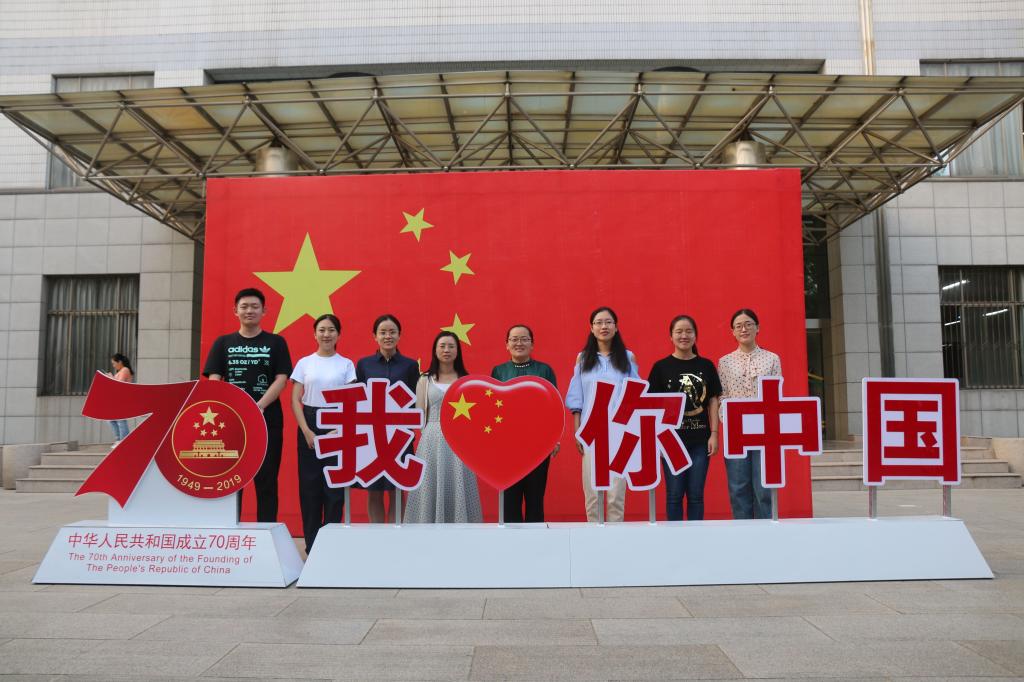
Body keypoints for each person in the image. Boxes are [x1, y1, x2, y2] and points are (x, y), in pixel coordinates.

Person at [202, 287, 292, 523]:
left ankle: (267, 532)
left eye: (254, 306)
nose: (249, 311)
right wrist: (232, 407)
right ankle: (231, 533)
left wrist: (258, 406)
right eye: (244, 307)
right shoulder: (223, 343)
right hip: (231, 423)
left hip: (267, 421)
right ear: (236, 311)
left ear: (264, 311)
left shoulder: (276, 342)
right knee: (232, 480)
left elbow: (281, 379)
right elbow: (214, 380)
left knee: (267, 481)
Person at [566, 306, 639, 522]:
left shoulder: (628, 357)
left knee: (616, 492)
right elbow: (577, 397)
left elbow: (635, 392)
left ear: (616, 327)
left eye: (608, 322)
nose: (603, 326)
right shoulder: (583, 358)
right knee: (593, 491)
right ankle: (593, 534)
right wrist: (577, 431)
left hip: (619, 430)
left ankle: (616, 534)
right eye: (598, 322)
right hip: (591, 430)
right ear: (591, 328)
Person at [290, 313, 355, 554]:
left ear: (338, 334)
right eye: (322, 330)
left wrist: (341, 429)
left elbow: (352, 400)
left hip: (338, 424)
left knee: (335, 489)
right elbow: (295, 400)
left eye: (331, 330)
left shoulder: (346, 364)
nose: (326, 334)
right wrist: (306, 431)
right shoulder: (305, 363)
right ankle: (312, 546)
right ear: (314, 334)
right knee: (310, 488)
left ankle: (330, 546)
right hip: (309, 423)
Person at [647, 315, 721, 521]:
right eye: (679, 331)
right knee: (674, 495)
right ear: (670, 337)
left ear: (695, 335)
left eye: (689, 331)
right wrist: (655, 439)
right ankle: (675, 537)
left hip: (700, 441)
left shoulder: (706, 366)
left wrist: (714, 434)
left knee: (696, 496)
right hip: (671, 441)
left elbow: (713, 401)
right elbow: (651, 405)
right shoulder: (661, 367)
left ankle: (696, 537)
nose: (684, 336)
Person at [404, 331, 483, 523]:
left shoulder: (467, 380)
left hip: (460, 442)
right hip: (431, 440)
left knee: (458, 483)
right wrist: (430, 433)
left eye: (451, 346)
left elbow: (473, 417)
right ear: (435, 350)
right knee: (430, 484)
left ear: (458, 351)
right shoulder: (425, 379)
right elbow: (419, 413)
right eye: (442, 346)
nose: (446, 350)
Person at [355, 314, 420, 523]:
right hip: (372, 434)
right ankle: (376, 534)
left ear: (399, 335)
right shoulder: (364, 365)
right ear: (374, 336)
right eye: (382, 332)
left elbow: (415, 399)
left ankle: (394, 533)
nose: (387, 336)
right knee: (373, 488)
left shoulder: (410, 366)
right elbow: (359, 398)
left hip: (400, 434)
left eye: (392, 332)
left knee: (396, 488)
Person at [490, 324, 558, 523]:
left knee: (535, 499)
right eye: (514, 339)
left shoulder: (544, 370)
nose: (519, 343)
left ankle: (536, 541)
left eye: (524, 339)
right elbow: (492, 408)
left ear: (532, 344)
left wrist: (554, 439)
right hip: (507, 447)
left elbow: (554, 407)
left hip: (538, 445)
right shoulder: (499, 371)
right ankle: (511, 541)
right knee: (509, 500)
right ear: (507, 344)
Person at [717, 308, 781, 520]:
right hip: (736, 430)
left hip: (765, 430)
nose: (743, 329)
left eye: (748, 324)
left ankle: (766, 530)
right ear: (733, 332)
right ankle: (743, 532)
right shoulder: (725, 362)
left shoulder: (772, 359)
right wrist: (730, 419)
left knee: (764, 488)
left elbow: (776, 394)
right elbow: (722, 396)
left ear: (757, 328)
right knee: (738, 487)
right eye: (738, 326)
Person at [107, 353, 134, 446]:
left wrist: (111, 378)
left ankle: (123, 441)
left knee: (120, 420)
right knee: (111, 419)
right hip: (117, 400)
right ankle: (119, 440)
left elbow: (119, 385)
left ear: (120, 362)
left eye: (114, 363)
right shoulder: (120, 371)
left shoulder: (125, 370)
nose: (113, 366)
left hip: (122, 399)